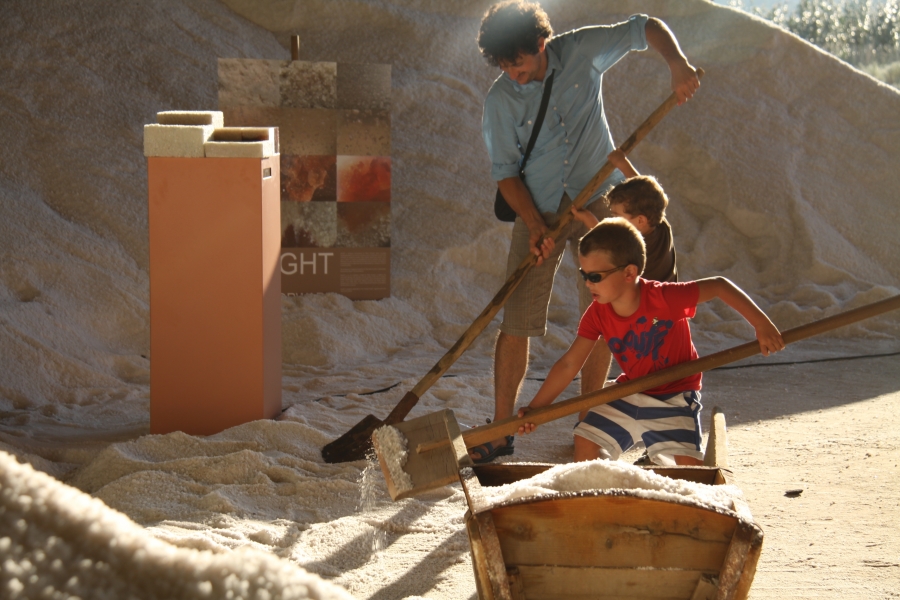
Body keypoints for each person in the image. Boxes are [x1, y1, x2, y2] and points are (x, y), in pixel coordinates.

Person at [471, 0, 700, 463]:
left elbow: (645, 27)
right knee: (516, 316)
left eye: (518, 63)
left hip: (600, 196)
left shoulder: (581, 50)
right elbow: (505, 173)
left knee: (606, 309)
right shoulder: (500, 100)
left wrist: (677, 64)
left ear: (541, 43)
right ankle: (501, 428)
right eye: (503, 66)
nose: (512, 74)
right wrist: (534, 224)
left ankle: (588, 417)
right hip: (537, 205)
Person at [516, 218, 785, 465]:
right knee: (585, 440)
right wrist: (538, 409)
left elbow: (719, 286)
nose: (587, 283)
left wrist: (761, 325)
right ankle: (605, 483)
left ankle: (663, 462)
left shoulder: (663, 298)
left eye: (595, 277)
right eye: (584, 274)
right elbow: (569, 364)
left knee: (691, 473)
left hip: (674, 396)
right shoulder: (597, 313)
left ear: (629, 273)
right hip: (628, 391)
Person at [572, 149, 678, 283]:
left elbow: (605, 240)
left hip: (647, 296)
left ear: (640, 220)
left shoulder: (633, 246)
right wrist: (622, 163)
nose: (613, 219)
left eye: (617, 216)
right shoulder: (660, 223)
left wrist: (586, 217)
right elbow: (646, 192)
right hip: (671, 293)